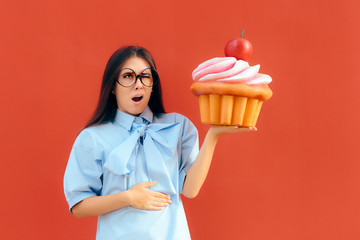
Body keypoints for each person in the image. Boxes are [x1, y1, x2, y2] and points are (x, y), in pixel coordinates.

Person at [63, 46, 256, 240]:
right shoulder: (92, 138)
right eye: (128, 76)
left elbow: (190, 190)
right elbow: (79, 206)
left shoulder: (178, 126)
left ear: (152, 84)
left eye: (145, 77)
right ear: (113, 85)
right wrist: (128, 198)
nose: (138, 84)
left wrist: (213, 135)